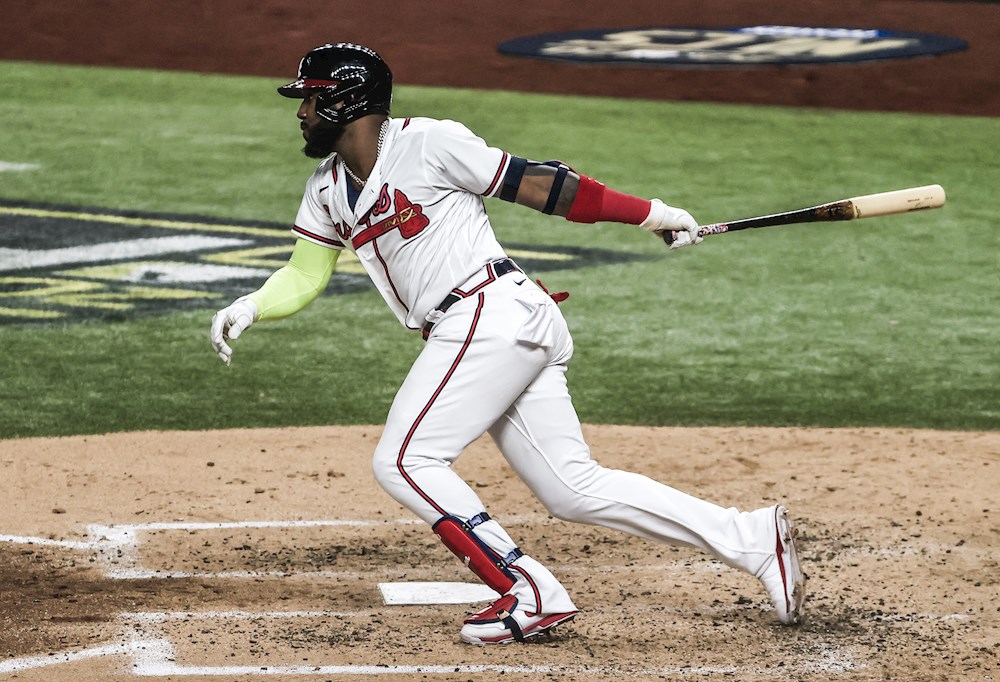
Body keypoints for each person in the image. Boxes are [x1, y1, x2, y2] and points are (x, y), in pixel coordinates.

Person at [210, 43, 804, 645]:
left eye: (310, 97)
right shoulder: (328, 186)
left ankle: (528, 590)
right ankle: (750, 537)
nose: (301, 111)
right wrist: (251, 305)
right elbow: (306, 273)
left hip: (490, 313)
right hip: (491, 325)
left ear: (346, 100)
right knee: (571, 488)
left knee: (404, 461)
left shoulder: (428, 143)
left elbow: (546, 187)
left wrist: (652, 214)